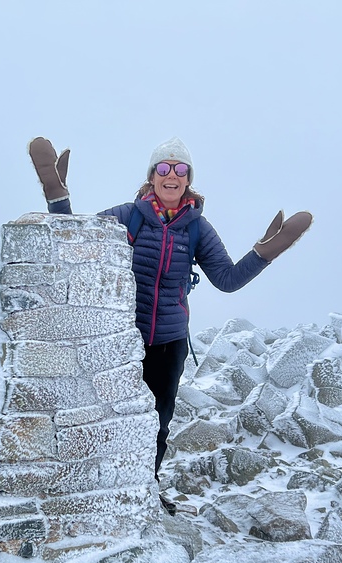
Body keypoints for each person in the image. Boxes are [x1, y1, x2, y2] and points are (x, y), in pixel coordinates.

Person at [29, 136, 312, 486]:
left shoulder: (196, 229)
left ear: (188, 178)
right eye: (163, 168)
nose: (171, 174)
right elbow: (77, 242)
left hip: (169, 343)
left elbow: (227, 279)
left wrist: (264, 253)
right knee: (109, 416)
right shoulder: (128, 216)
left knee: (157, 422)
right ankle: (102, 486)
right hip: (122, 342)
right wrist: (59, 200)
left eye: (180, 169)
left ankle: (145, 488)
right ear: (152, 176)